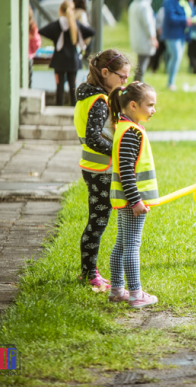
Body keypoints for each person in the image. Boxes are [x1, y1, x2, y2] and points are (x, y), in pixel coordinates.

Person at [73, 49, 131, 288]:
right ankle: (88, 274)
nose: (124, 82)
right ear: (105, 73)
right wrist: (119, 151)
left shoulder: (91, 95)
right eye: (122, 77)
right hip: (100, 171)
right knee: (96, 223)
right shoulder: (98, 101)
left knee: (98, 221)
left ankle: (89, 271)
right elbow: (94, 138)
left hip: (95, 168)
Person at [108, 80, 159, 308]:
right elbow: (127, 171)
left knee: (121, 244)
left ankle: (118, 290)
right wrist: (136, 200)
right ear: (133, 105)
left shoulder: (126, 127)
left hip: (128, 201)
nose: (153, 110)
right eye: (150, 105)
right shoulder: (130, 132)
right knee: (131, 246)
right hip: (132, 202)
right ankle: (136, 294)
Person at [39, 0, 95, 106]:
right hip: (73, 61)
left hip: (59, 60)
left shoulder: (57, 25)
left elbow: (42, 31)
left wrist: (54, 37)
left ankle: (58, 105)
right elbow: (91, 32)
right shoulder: (75, 24)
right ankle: (73, 105)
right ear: (73, 11)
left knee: (59, 85)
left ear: (60, 10)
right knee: (73, 86)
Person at [161, 0, 193, 91]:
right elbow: (170, 18)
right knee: (176, 56)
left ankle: (171, 82)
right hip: (171, 34)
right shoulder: (169, 0)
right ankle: (170, 83)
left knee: (177, 58)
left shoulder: (186, 1)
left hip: (182, 35)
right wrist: (186, 20)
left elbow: (190, 14)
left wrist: (193, 20)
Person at [128, 0, 158, 82]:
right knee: (142, 64)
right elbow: (148, 24)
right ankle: (139, 83)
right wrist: (153, 38)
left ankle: (137, 82)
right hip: (145, 38)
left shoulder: (133, 5)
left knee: (140, 62)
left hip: (136, 37)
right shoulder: (145, 6)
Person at [28, 6, 41, 88]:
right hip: (28, 57)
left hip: (24, 57)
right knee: (28, 80)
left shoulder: (31, 27)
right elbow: (37, 43)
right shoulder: (32, 26)